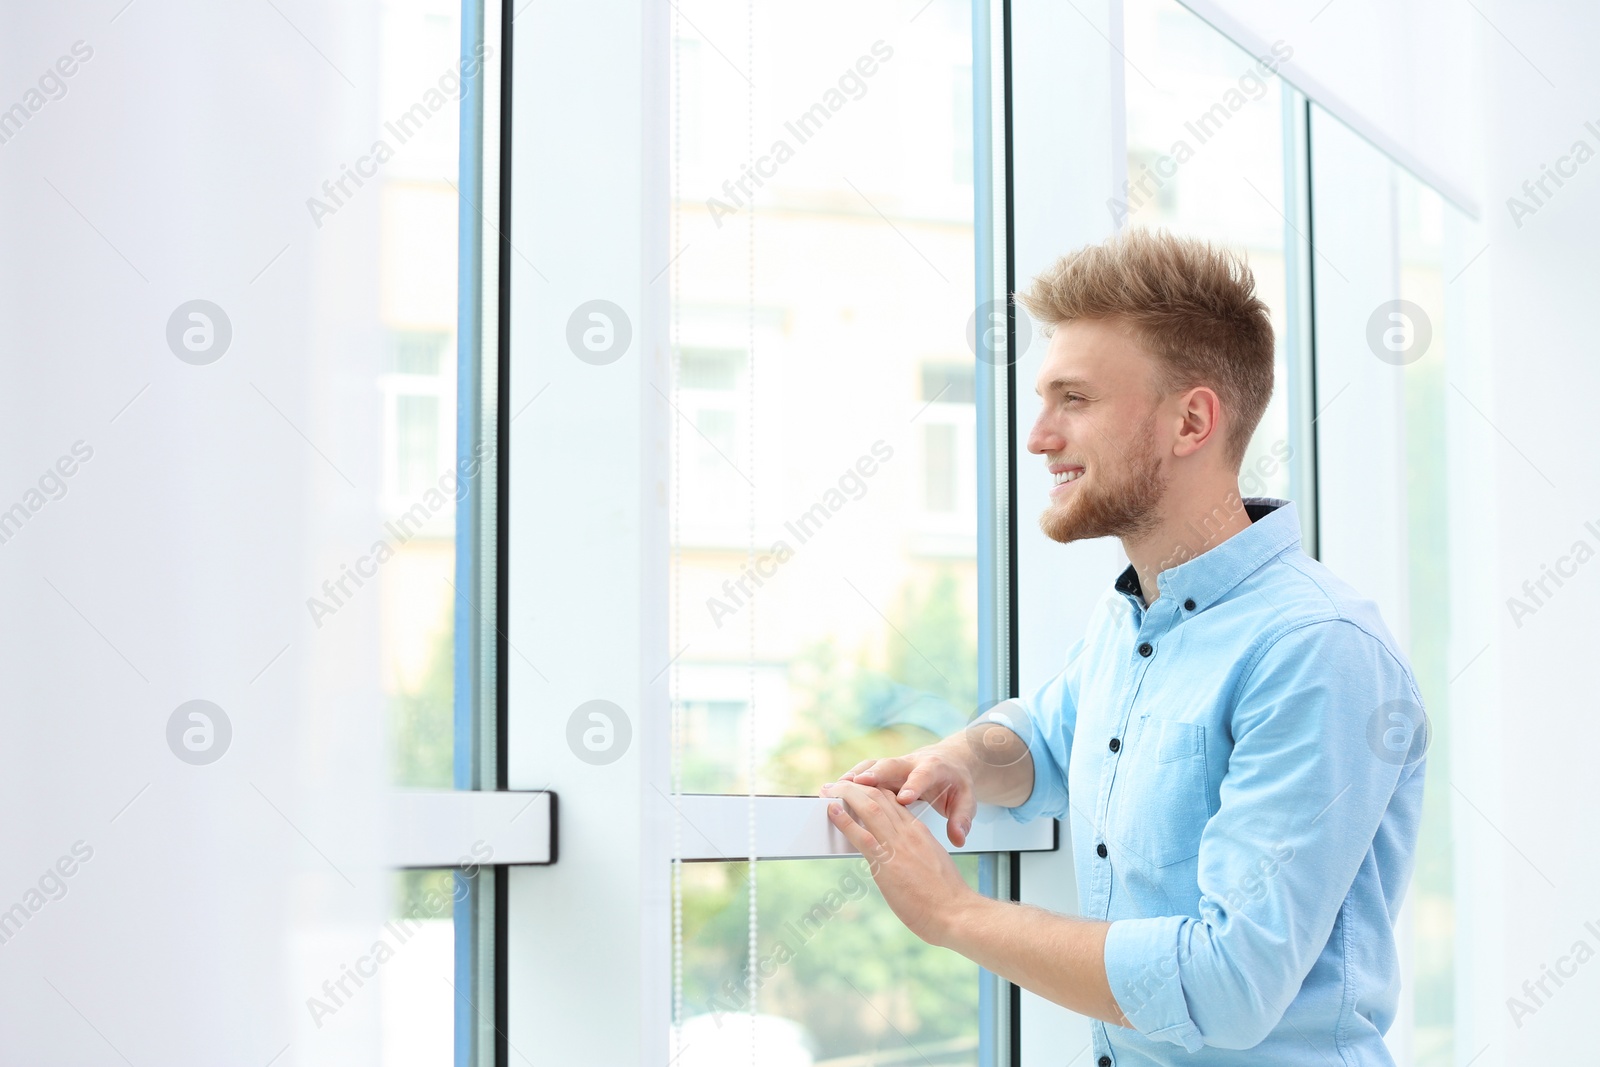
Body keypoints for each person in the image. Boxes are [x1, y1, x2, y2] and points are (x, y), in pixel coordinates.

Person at [820, 229, 1428, 1065]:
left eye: (1074, 399)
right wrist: (963, 757)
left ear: (1191, 421)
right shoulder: (1132, 622)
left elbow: (1227, 985)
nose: (1038, 436)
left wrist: (955, 915)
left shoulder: (1315, 650)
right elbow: (1044, 738)